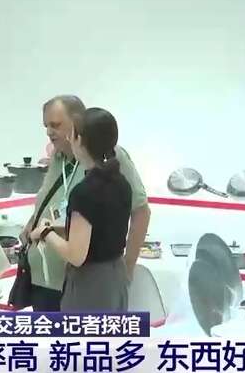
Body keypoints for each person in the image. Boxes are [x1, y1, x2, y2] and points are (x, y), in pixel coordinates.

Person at [20, 95, 151, 311]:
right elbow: (52, 202)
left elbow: (141, 212)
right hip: (45, 280)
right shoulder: (58, 158)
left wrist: (127, 268)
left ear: (77, 126)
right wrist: (34, 224)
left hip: (83, 283)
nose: (49, 132)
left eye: (55, 125)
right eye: (46, 126)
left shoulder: (112, 160)